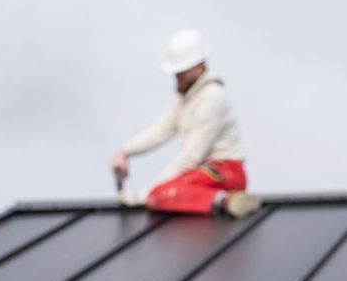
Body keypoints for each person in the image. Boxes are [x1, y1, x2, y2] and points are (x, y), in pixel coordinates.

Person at [111, 28, 260, 220]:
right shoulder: (187, 99)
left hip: (226, 172)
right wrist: (124, 152)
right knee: (163, 192)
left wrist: (149, 194)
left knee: (162, 195)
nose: (177, 77)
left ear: (199, 66)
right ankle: (222, 201)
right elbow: (159, 131)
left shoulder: (213, 99)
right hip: (205, 173)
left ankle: (228, 201)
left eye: (182, 71)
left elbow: (191, 155)